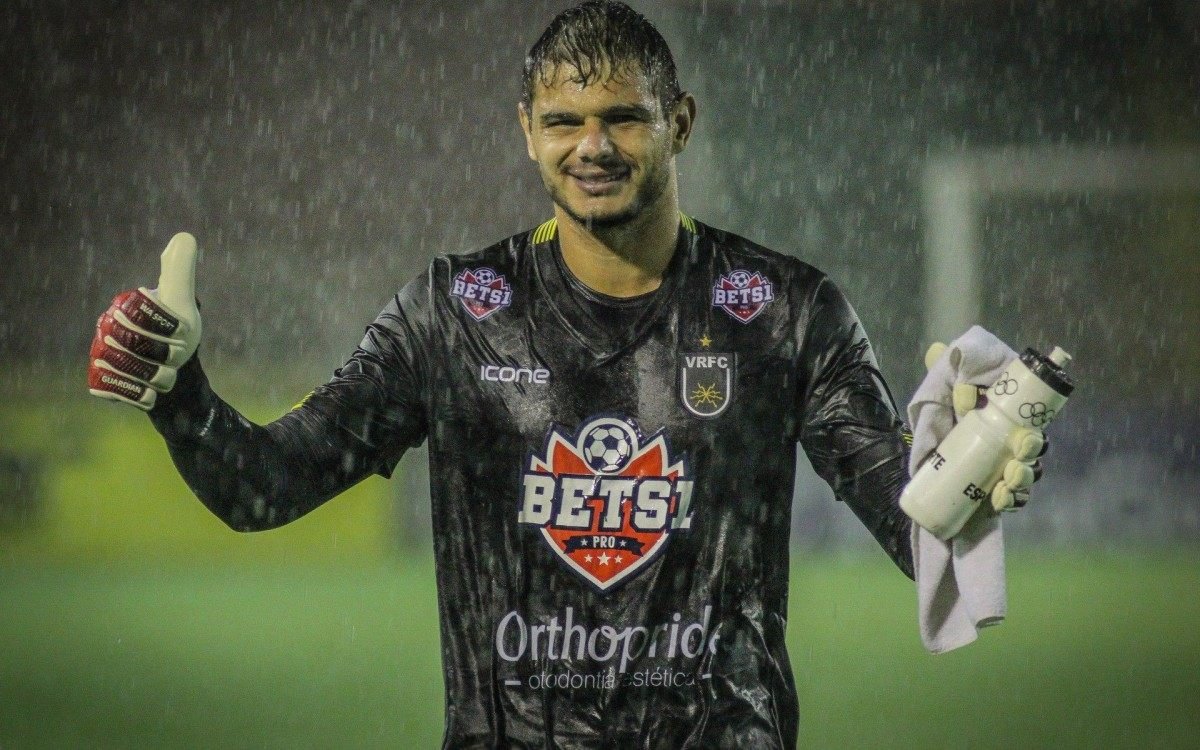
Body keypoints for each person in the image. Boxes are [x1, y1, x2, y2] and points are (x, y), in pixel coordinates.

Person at [86, 2, 1041, 746]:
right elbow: (266, 487)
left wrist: (974, 464)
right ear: (527, 132)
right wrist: (179, 396)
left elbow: (920, 528)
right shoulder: (454, 309)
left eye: (625, 117)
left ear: (681, 121)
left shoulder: (785, 310)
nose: (594, 145)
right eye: (565, 120)